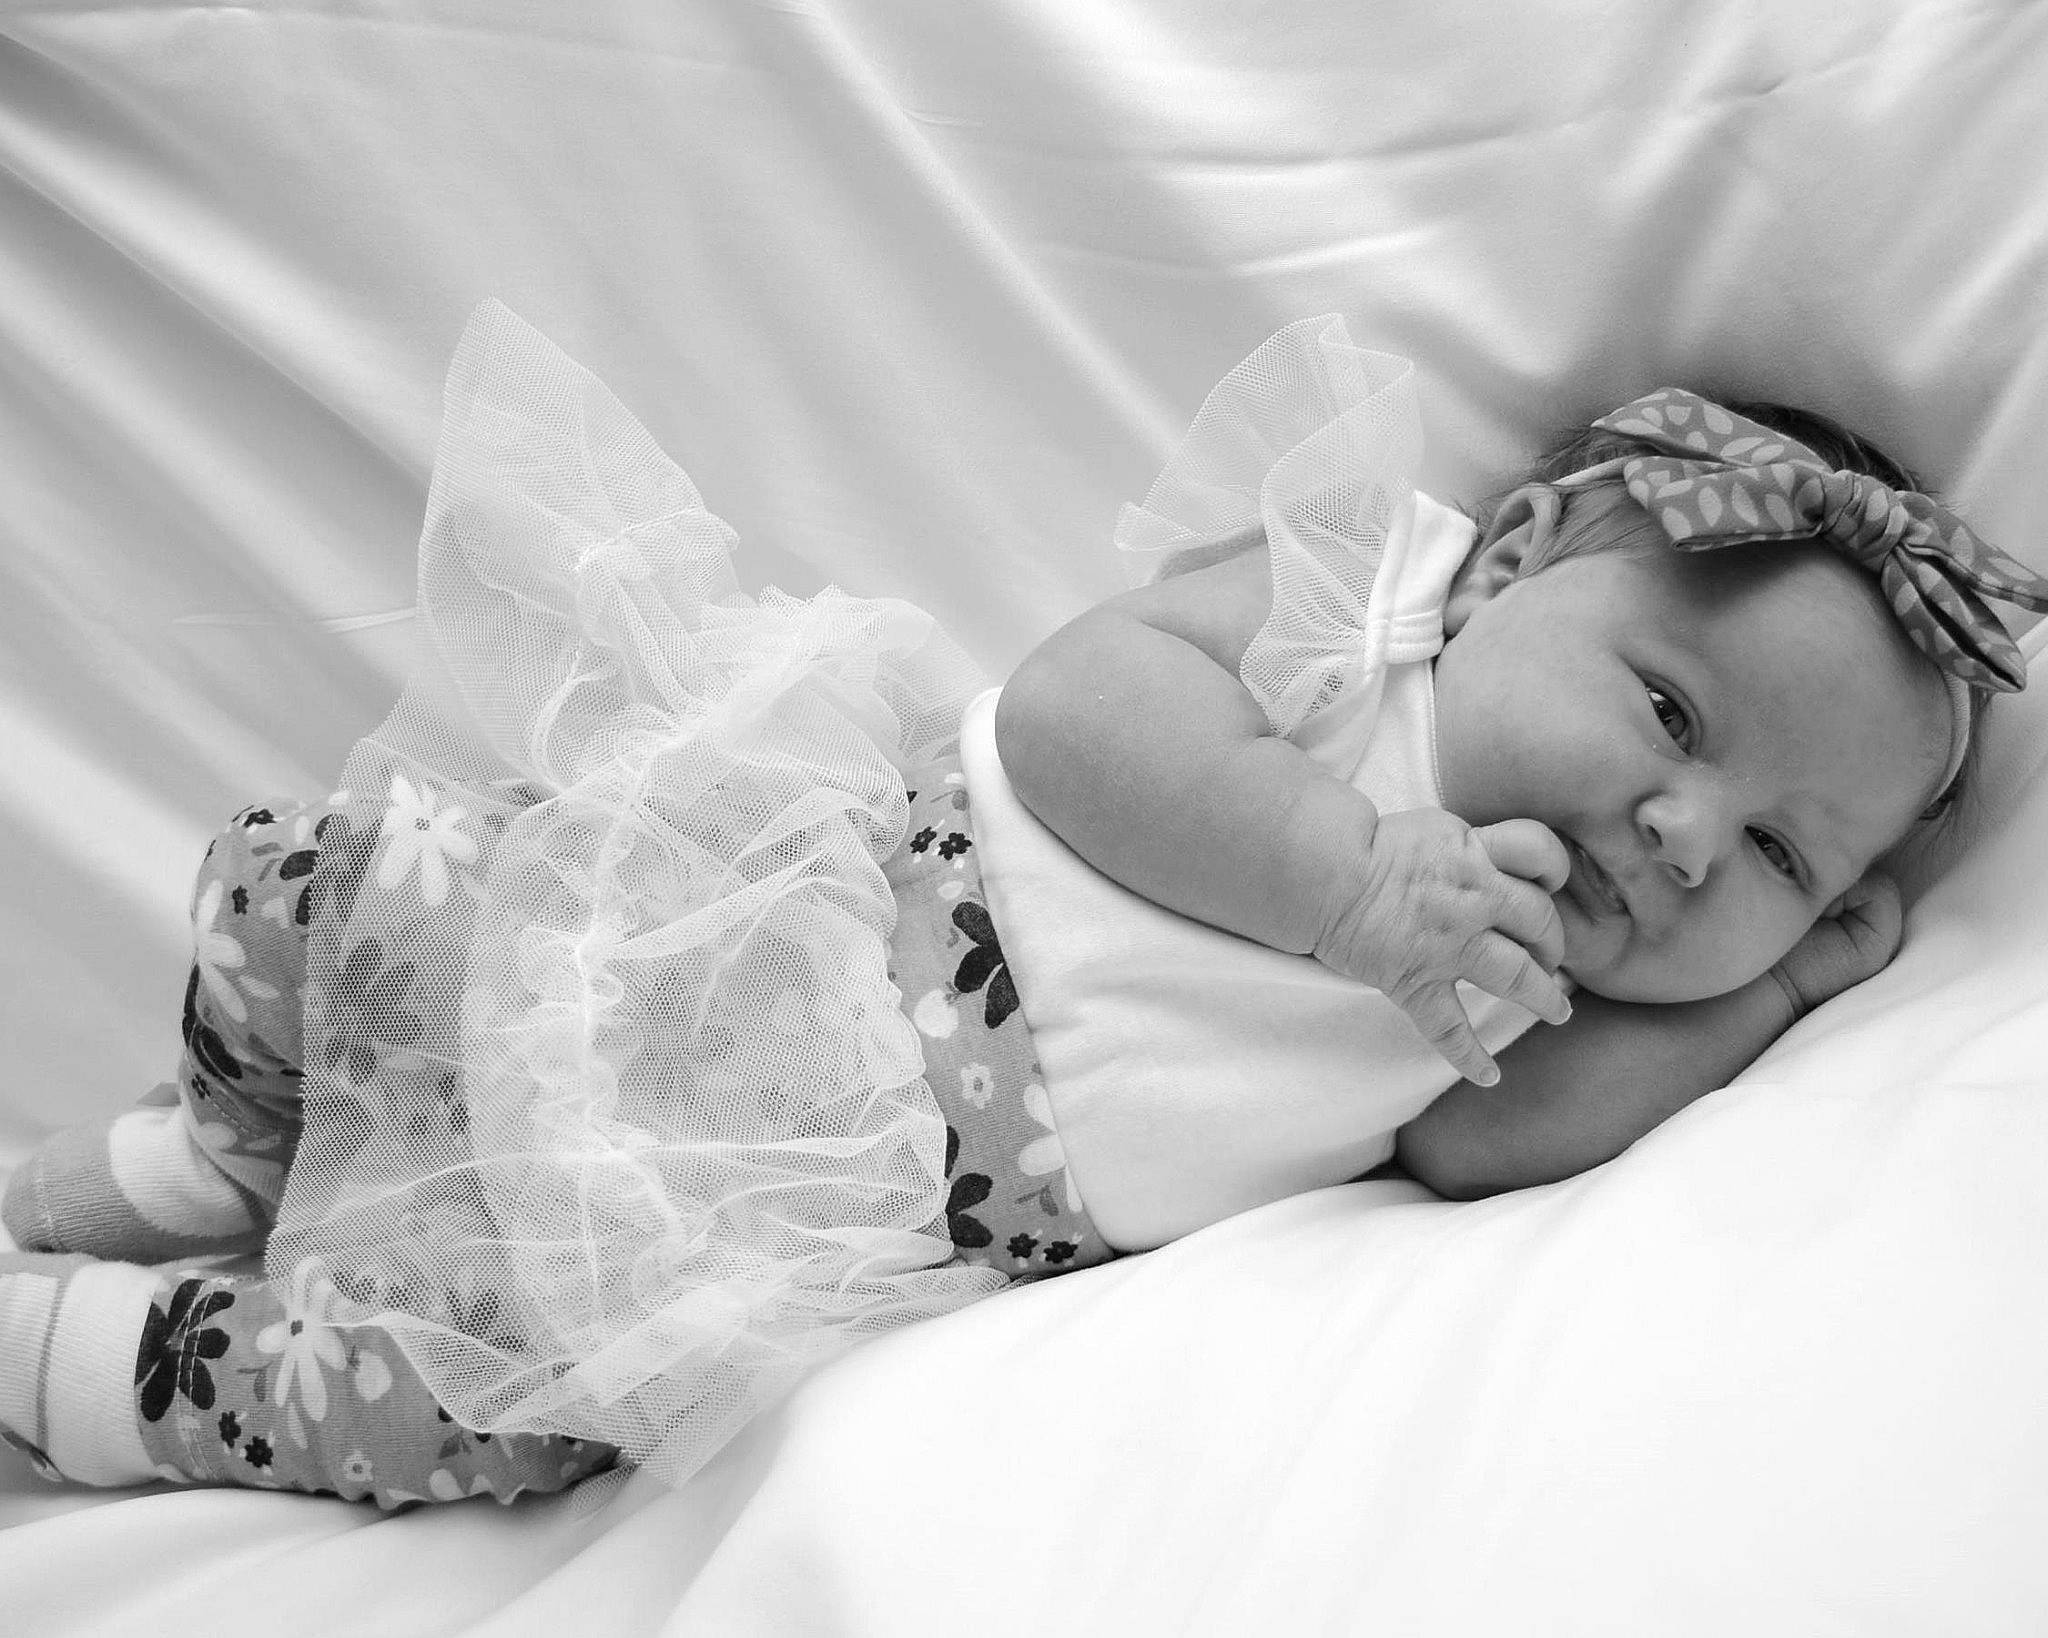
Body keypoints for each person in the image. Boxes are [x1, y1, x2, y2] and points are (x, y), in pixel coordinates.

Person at [2, 307, 2041, 1508]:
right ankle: (202, 1157)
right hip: (766, 922)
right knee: (337, 912)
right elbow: (1076, 710)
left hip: (820, 1206)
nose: (1685, 837)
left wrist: (1755, 1006)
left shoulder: (1539, 989)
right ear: (1504, 564)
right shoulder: (1359, 629)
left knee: (450, 1400)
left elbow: (1483, 1141)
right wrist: (1348, 887)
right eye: (1669, 712)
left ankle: (66, 1362)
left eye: (1779, 859)